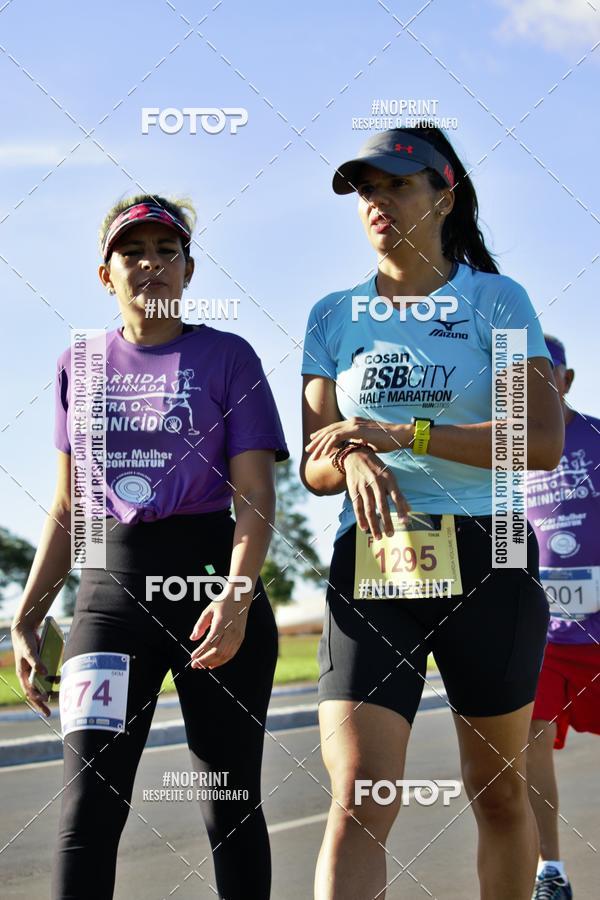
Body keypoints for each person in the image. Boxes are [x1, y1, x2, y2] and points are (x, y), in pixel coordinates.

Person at [300, 126, 565, 899]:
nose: (378, 201)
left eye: (398, 185)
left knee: (499, 792)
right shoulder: (332, 314)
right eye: (366, 190)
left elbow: (540, 440)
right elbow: (316, 456)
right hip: (378, 557)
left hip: (490, 553)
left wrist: (402, 432)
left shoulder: (495, 298)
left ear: (444, 196)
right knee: (359, 795)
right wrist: (351, 454)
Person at [11, 194, 289, 900]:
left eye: (167, 253)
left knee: (229, 803)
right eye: (132, 252)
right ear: (105, 273)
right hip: (110, 600)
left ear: (189, 270)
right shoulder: (82, 362)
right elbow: (72, 504)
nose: (150, 265)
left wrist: (237, 594)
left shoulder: (228, 356)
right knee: (88, 811)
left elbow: (255, 495)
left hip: (210, 595)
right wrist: (28, 612)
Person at [526, 335, 600, 900]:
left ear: (565, 379)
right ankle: (550, 870)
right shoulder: (504, 454)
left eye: (540, 372)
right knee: (527, 742)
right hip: (541, 634)